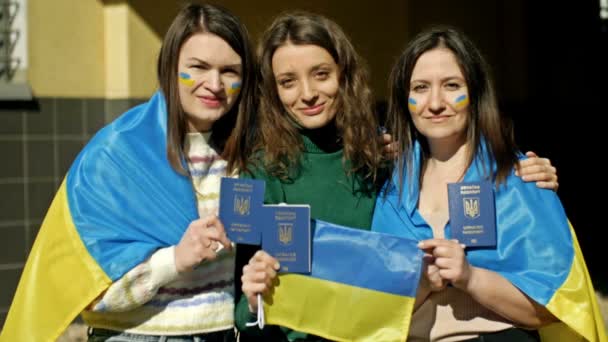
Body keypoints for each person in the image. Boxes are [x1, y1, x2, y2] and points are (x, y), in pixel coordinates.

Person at [234, 13, 560, 341]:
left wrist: (528, 170)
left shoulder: (383, 157)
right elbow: (241, 304)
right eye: (287, 81)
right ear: (272, 90)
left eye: (321, 74)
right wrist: (252, 301)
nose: (307, 94)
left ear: (344, 75)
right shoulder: (255, 175)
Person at [1, 3, 256, 342]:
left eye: (229, 71)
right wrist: (174, 259)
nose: (214, 84)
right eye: (198, 67)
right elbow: (88, 289)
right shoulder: (117, 153)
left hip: (224, 333)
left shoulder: (252, 156)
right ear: (169, 67)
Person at [371, 27, 606, 341]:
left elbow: (556, 306)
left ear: (476, 93)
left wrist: (471, 278)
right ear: (405, 98)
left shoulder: (520, 178)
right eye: (421, 87)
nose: (436, 102)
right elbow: (372, 311)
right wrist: (424, 284)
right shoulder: (388, 190)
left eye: (451, 85)